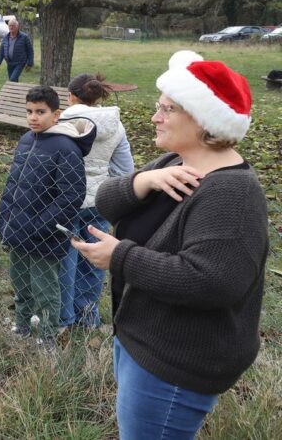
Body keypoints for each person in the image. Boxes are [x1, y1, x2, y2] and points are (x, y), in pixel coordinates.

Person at [73, 51, 268, 439]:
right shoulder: (175, 163)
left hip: (175, 361)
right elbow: (107, 201)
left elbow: (211, 281)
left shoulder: (231, 193)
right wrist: (141, 182)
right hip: (144, 342)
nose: (154, 117)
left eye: (167, 109)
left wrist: (119, 256)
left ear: (203, 120)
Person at [0, 86, 94, 352]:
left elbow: (71, 195)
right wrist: (4, 218)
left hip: (44, 235)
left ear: (56, 114)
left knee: (45, 288)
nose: (33, 117)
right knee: (20, 282)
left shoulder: (66, 147)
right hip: (18, 230)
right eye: (29, 111)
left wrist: (42, 225)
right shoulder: (26, 140)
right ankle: (22, 325)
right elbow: (13, 184)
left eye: (40, 112)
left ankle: (48, 337)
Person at [57, 73, 134, 330]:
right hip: (98, 201)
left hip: (65, 200)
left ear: (71, 96)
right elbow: (124, 169)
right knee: (95, 259)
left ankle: (63, 317)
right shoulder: (115, 125)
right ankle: (87, 315)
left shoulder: (61, 122)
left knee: (65, 258)